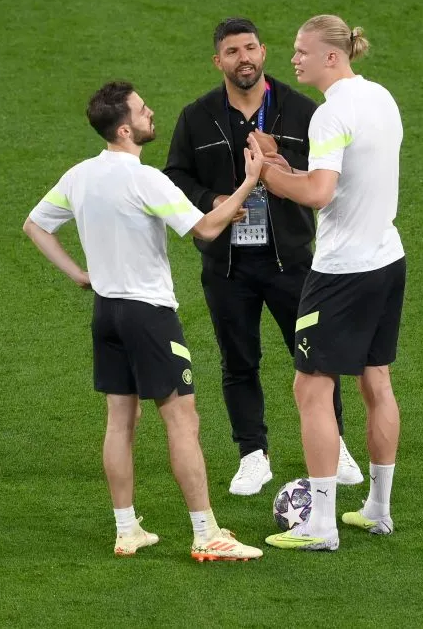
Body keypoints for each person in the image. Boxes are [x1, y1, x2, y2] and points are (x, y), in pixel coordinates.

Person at [23, 80, 266, 561]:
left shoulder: (79, 176)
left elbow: (35, 225)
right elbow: (204, 228)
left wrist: (79, 275)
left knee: (120, 422)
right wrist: (249, 182)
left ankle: (127, 529)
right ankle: (206, 533)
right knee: (182, 420)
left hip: (107, 312)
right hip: (149, 316)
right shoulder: (145, 178)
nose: (150, 112)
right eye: (141, 110)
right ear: (123, 128)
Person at [164, 17, 363, 496]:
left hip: (291, 260)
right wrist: (212, 202)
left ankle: (334, 447)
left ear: (264, 51)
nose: (244, 58)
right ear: (219, 62)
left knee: (318, 360)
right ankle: (253, 455)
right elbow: (175, 176)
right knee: (239, 361)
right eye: (232, 52)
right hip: (227, 265)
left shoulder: (302, 112)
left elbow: (324, 176)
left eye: (250, 48)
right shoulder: (197, 117)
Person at [260, 15, 406, 552]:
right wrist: (284, 164)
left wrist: (265, 171)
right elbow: (346, 180)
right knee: (376, 380)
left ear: (331, 56)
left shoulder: (329, 114)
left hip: (343, 271)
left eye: (302, 50)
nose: (293, 59)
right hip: (388, 257)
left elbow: (320, 193)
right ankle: (378, 510)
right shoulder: (380, 97)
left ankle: (320, 525)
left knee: (311, 387)